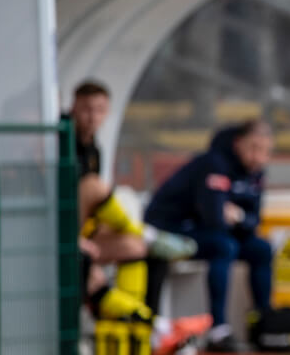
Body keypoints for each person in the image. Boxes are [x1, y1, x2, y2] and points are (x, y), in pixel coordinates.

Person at [70, 81, 196, 329]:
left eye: (99, 109)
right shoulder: (59, 141)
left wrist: (99, 232)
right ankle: (150, 325)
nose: (92, 117)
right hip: (59, 237)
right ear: (73, 108)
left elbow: (89, 208)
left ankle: (146, 328)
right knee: (93, 186)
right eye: (86, 109)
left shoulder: (94, 148)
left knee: (137, 248)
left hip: (83, 232)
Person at [144, 120, 275, 354]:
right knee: (224, 246)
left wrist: (239, 217)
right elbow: (214, 219)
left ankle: (263, 323)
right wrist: (237, 219)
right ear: (238, 144)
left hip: (212, 232)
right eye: (253, 148)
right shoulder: (215, 163)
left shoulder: (255, 174)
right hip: (172, 229)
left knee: (261, 249)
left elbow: (254, 221)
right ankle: (218, 329)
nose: (258, 156)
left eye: (264, 151)